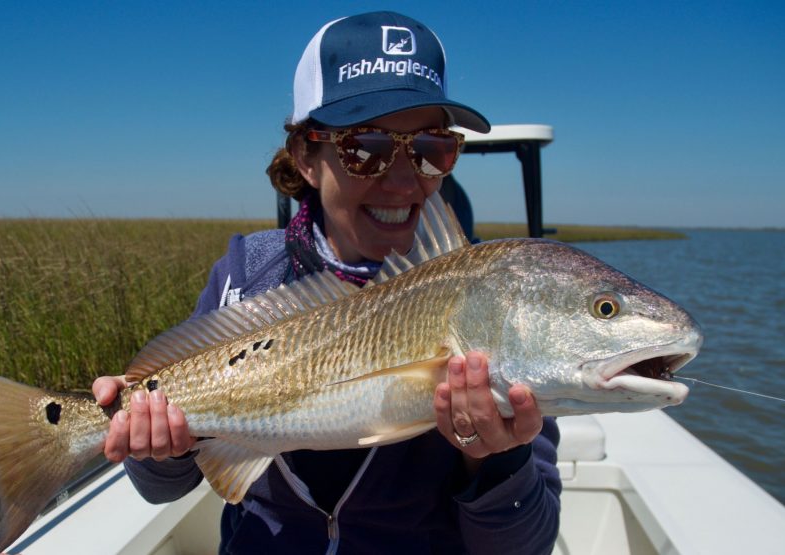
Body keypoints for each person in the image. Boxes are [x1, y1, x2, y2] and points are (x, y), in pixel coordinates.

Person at [93, 11, 561, 554]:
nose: (404, 178)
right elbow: (167, 486)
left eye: (432, 148)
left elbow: (525, 546)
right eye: (365, 147)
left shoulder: (494, 300)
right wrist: (161, 449)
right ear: (306, 157)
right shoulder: (246, 278)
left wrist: (495, 458)